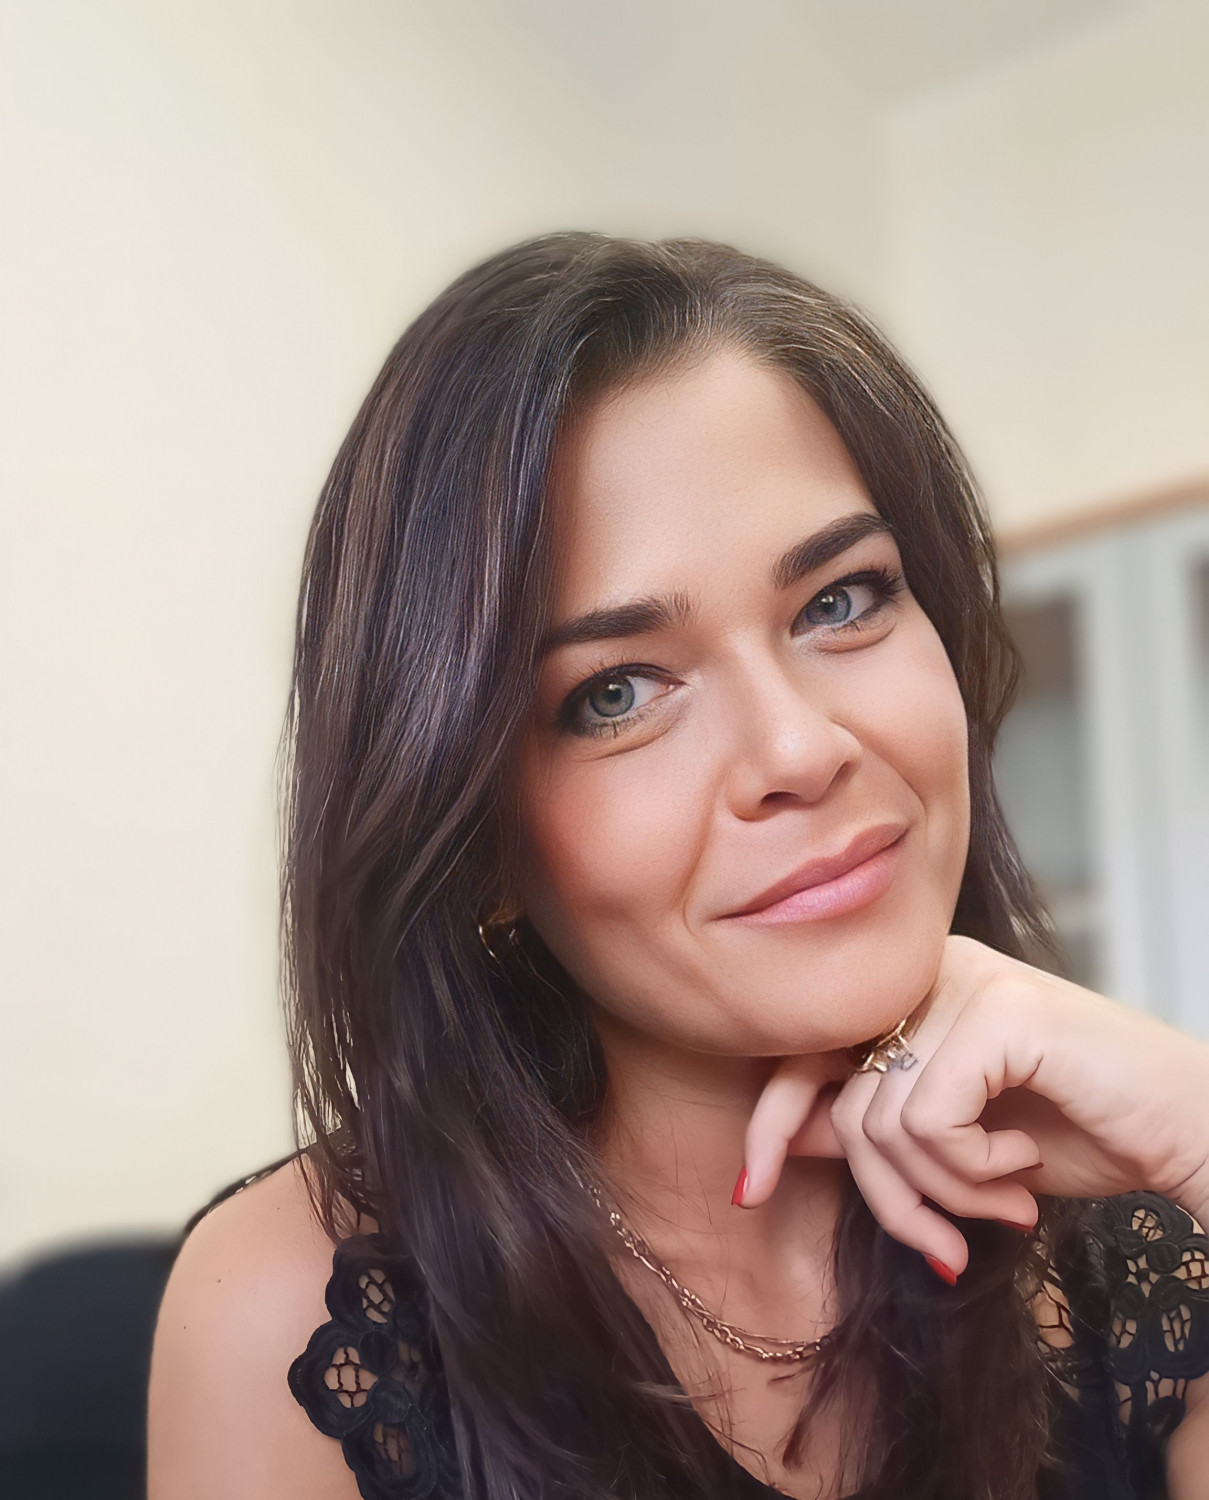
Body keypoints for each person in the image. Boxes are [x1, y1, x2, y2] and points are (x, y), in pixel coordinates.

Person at [146, 232, 1209, 1500]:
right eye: (615, 693)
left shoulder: (1147, 1251)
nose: (800, 750)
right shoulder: (290, 1311)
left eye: (840, 600)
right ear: (475, 837)